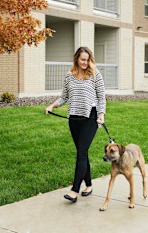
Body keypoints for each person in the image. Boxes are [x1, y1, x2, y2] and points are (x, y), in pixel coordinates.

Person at [45, 46, 106, 203]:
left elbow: (101, 97)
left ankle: (74, 190)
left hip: (90, 118)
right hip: (74, 119)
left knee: (81, 153)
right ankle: (89, 185)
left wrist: (101, 115)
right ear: (77, 60)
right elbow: (64, 97)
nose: (85, 62)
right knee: (82, 152)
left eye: (88, 60)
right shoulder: (69, 76)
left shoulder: (95, 75)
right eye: (82, 60)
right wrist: (52, 106)